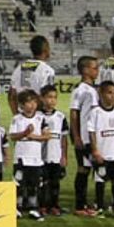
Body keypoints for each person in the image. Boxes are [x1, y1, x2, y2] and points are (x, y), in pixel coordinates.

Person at [87, 79, 114, 217]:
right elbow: (91, 132)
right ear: (102, 94)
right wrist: (95, 150)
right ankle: (99, 205)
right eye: (109, 93)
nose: (113, 95)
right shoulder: (95, 112)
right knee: (100, 179)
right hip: (102, 152)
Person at [70, 56, 101, 215]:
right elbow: (74, 114)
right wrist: (76, 137)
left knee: (91, 169)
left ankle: (92, 203)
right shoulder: (80, 90)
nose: (97, 71)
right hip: (84, 137)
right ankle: (79, 206)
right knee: (83, 169)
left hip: (93, 137)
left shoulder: (92, 89)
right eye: (94, 68)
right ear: (85, 70)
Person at [8, 90, 45, 216]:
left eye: (34, 101)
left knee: (34, 184)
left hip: (36, 158)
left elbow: (47, 136)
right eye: (28, 102)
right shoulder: (17, 119)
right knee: (19, 183)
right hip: (21, 157)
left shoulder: (40, 118)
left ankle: (33, 207)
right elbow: (12, 136)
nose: (32, 105)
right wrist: (24, 133)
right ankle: (17, 207)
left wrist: (32, 136)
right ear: (22, 105)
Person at [38, 85, 68, 216]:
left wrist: (64, 156)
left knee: (55, 182)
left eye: (55, 97)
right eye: (49, 97)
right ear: (42, 98)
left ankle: (54, 205)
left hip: (55, 155)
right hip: (40, 157)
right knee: (42, 182)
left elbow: (64, 138)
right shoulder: (37, 116)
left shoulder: (60, 117)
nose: (52, 100)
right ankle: (42, 205)